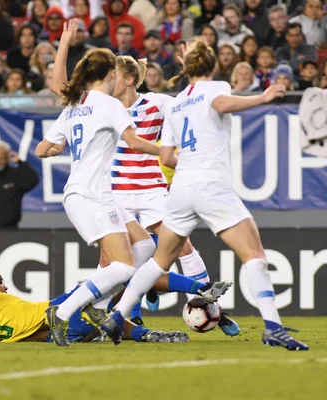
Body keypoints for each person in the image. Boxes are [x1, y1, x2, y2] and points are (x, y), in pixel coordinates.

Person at [102, 39, 308, 351]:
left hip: (181, 188)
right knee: (254, 254)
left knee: (159, 261)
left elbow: (168, 155)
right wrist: (263, 96)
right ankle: (273, 327)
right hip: (211, 184)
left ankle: (117, 315)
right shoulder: (216, 88)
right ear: (212, 67)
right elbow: (222, 104)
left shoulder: (178, 99)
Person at [33, 20, 161, 346]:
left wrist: (56, 148)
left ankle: (100, 307)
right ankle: (65, 312)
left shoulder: (74, 106)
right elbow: (133, 141)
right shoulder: (110, 105)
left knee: (144, 245)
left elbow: (41, 149)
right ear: (112, 75)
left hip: (88, 193)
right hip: (94, 195)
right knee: (123, 266)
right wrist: (165, 152)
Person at [0, 230, 190, 343]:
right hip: (57, 310)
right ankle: (154, 290)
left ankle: (143, 326)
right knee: (118, 275)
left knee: (103, 302)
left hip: (53, 330)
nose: (4, 286)